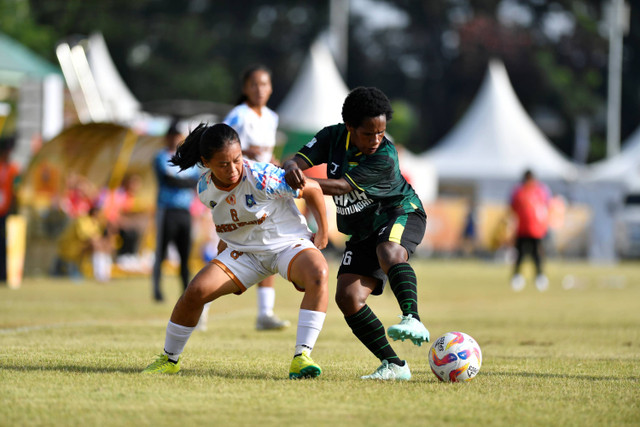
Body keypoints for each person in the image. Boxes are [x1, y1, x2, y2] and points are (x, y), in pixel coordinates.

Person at [142, 123, 329, 379]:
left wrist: (323, 232)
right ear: (206, 163)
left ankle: (302, 357)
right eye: (223, 164)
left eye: (237, 160)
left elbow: (313, 189)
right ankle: (169, 358)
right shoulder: (204, 189)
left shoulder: (264, 177)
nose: (232, 169)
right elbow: (227, 216)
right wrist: (225, 246)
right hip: (245, 253)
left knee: (319, 272)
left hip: (287, 245)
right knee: (195, 292)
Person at [283, 87, 430, 381]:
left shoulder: (385, 156)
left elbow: (340, 187)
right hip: (363, 231)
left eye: (381, 132)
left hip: (400, 213)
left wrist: (301, 183)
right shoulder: (332, 136)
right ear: (350, 127)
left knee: (389, 251)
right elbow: (295, 161)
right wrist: (289, 168)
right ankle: (394, 366)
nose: (376, 140)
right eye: (368, 133)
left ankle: (412, 318)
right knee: (348, 297)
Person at [203, 64, 287, 331]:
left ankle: (265, 313)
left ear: (271, 88)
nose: (259, 89)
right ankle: (199, 304)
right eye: (254, 84)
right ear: (245, 88)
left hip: (263, 190)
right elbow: (219, 143)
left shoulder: (272, 117)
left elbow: (265, 155)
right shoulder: (238, 115)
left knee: (270, 243)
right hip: (238, 189)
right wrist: (244, 152)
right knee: (227, 245)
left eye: (264, 84)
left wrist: (270, 160)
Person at [152, 120, 201, 302]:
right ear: (167, 138)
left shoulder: (188, 160)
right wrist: (184, 183)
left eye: (177, 136)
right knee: (162, 252)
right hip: (167, 209)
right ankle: (157, 290)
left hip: (184, 211)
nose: (174, 139)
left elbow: (194, 182)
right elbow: (168, 180)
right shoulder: (160, 157)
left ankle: (185, 290)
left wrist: (181, 182)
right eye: (171, 136)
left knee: (185, 253)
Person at [509, 169, 551, 292]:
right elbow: (513, 208)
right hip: (522, 229)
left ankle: (539, 276)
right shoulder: (519, 191)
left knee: (537, 255)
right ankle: (517, 277)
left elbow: (546, 206)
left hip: (537, 230)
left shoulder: (541, 191)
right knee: (520, 255)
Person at [0, 136, 20, 282]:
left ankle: (4, 274)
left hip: (5, 211)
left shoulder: (12, 169)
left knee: (5, 243)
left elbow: (16, 189)